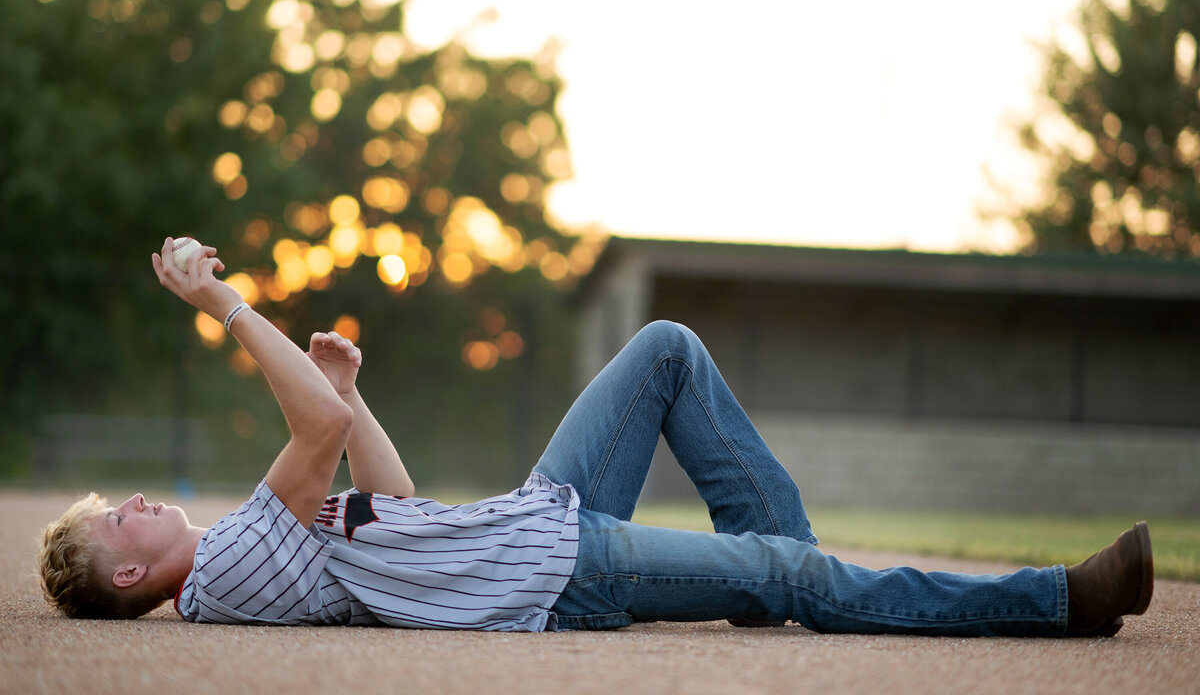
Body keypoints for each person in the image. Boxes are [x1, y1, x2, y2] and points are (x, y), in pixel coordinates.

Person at [38, 238, 1154, 636]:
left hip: (534, 516)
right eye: (117, 520)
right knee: (786, 566)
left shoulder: (248, 538)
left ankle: (793, 579)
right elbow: (315, 429)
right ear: (132, 571)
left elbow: (398, 493)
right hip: (556, 573)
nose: (132, 498)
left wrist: (350, 390)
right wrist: (224, 307)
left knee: (663, 345)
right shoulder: (225, 571)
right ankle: (1059, 599)